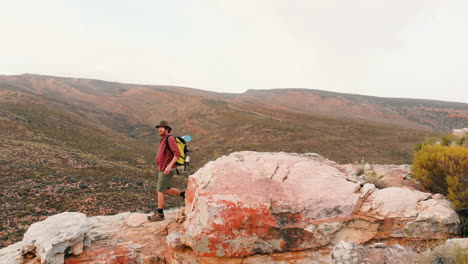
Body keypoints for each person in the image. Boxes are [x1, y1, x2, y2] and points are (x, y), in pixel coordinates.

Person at [148, 120, 185, 222]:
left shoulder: (170, 138)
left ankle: (160, 214)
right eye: (158, 128)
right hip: (162, 168)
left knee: (160, 190)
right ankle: (183, 194)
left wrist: (169, 166)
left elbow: (176, 154)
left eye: (161, 127)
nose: (159, 129)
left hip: (167, 168)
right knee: (165, 188)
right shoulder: (163, 139)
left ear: (167, 129)